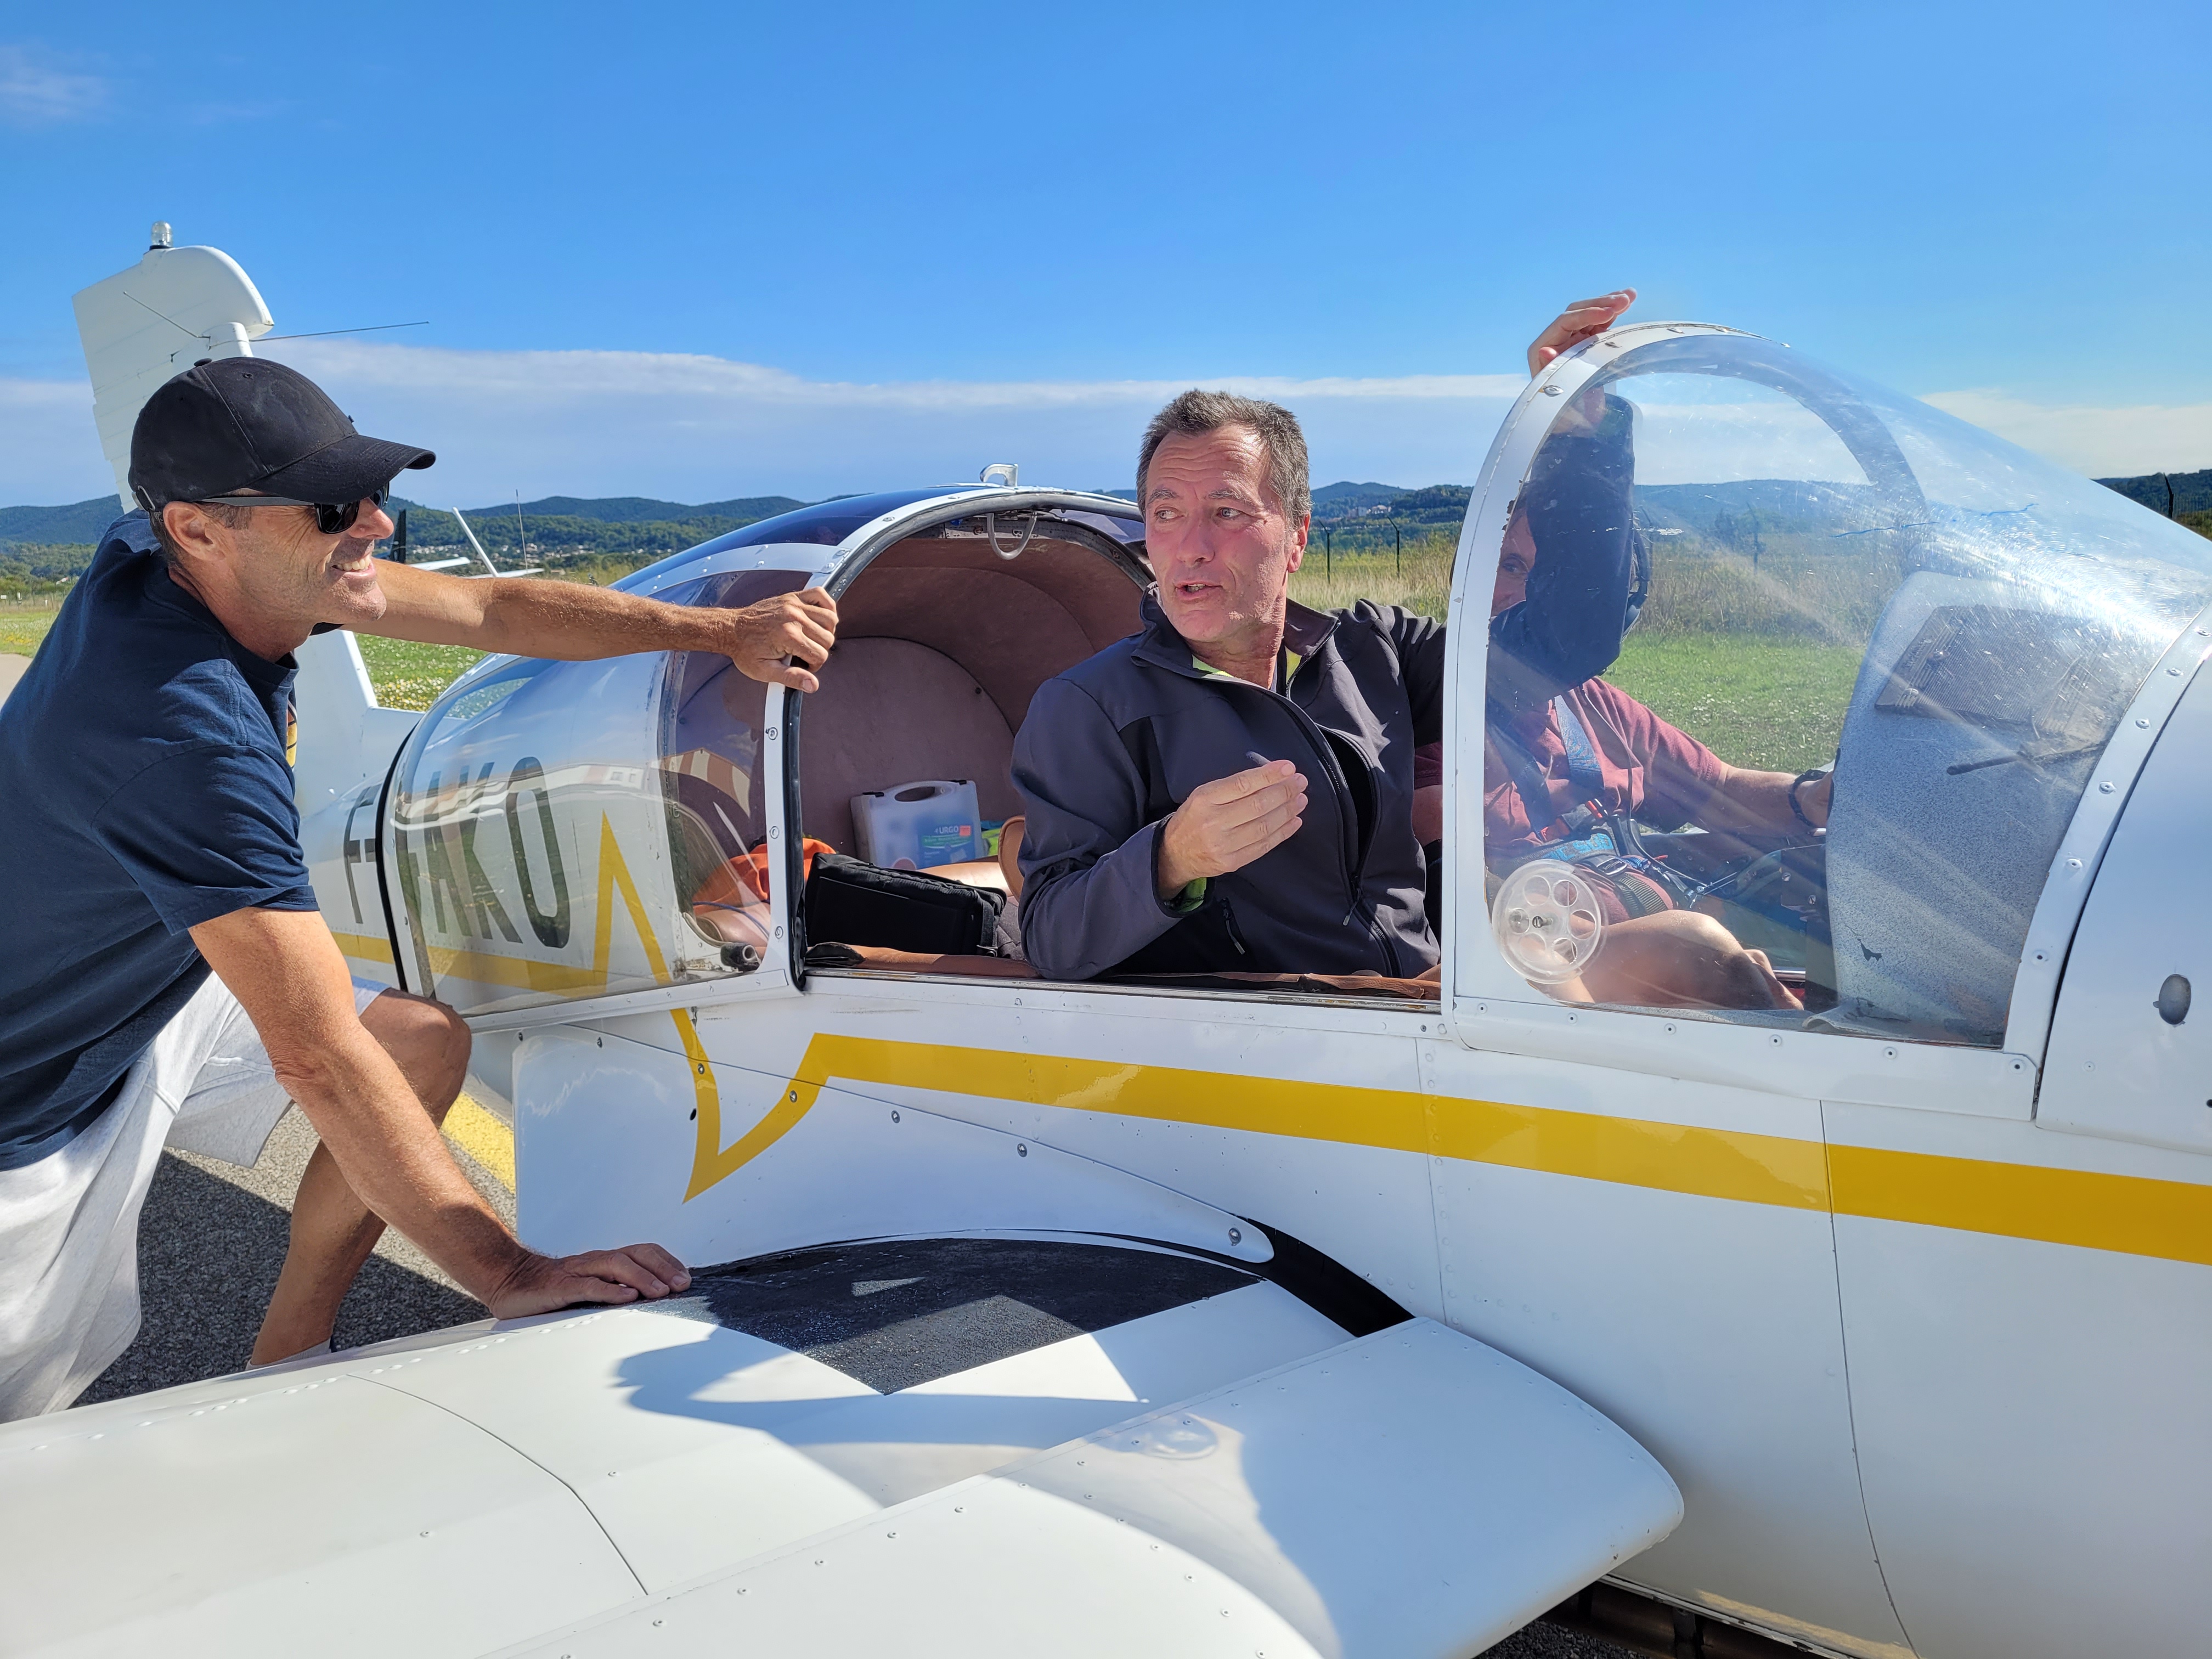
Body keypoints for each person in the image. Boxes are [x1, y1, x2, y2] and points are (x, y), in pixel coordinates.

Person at [0, 357, 838, 1419]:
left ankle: (285, 1358)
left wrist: (724, 634)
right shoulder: (181, 732)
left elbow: (491, 609)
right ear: (199, 527)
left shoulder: (179, 555)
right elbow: (314, 1054)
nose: (378, 526)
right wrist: (507, 1269)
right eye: (333, 506)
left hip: (142, 972)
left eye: (374, 493)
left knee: (418, 1039)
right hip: (25, 1102)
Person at [1012, 295, 1647, 984]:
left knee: (1703, 962)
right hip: (1271, 1055)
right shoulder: (1089, 708)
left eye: (1226, 512)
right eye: (1166, 514)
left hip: (1422, 1006)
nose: (1190, 547)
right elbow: (1051, 936)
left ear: (1296, 537)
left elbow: (1564, 644)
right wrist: (1171, 859)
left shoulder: (1376, 654)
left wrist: (1580, 439)